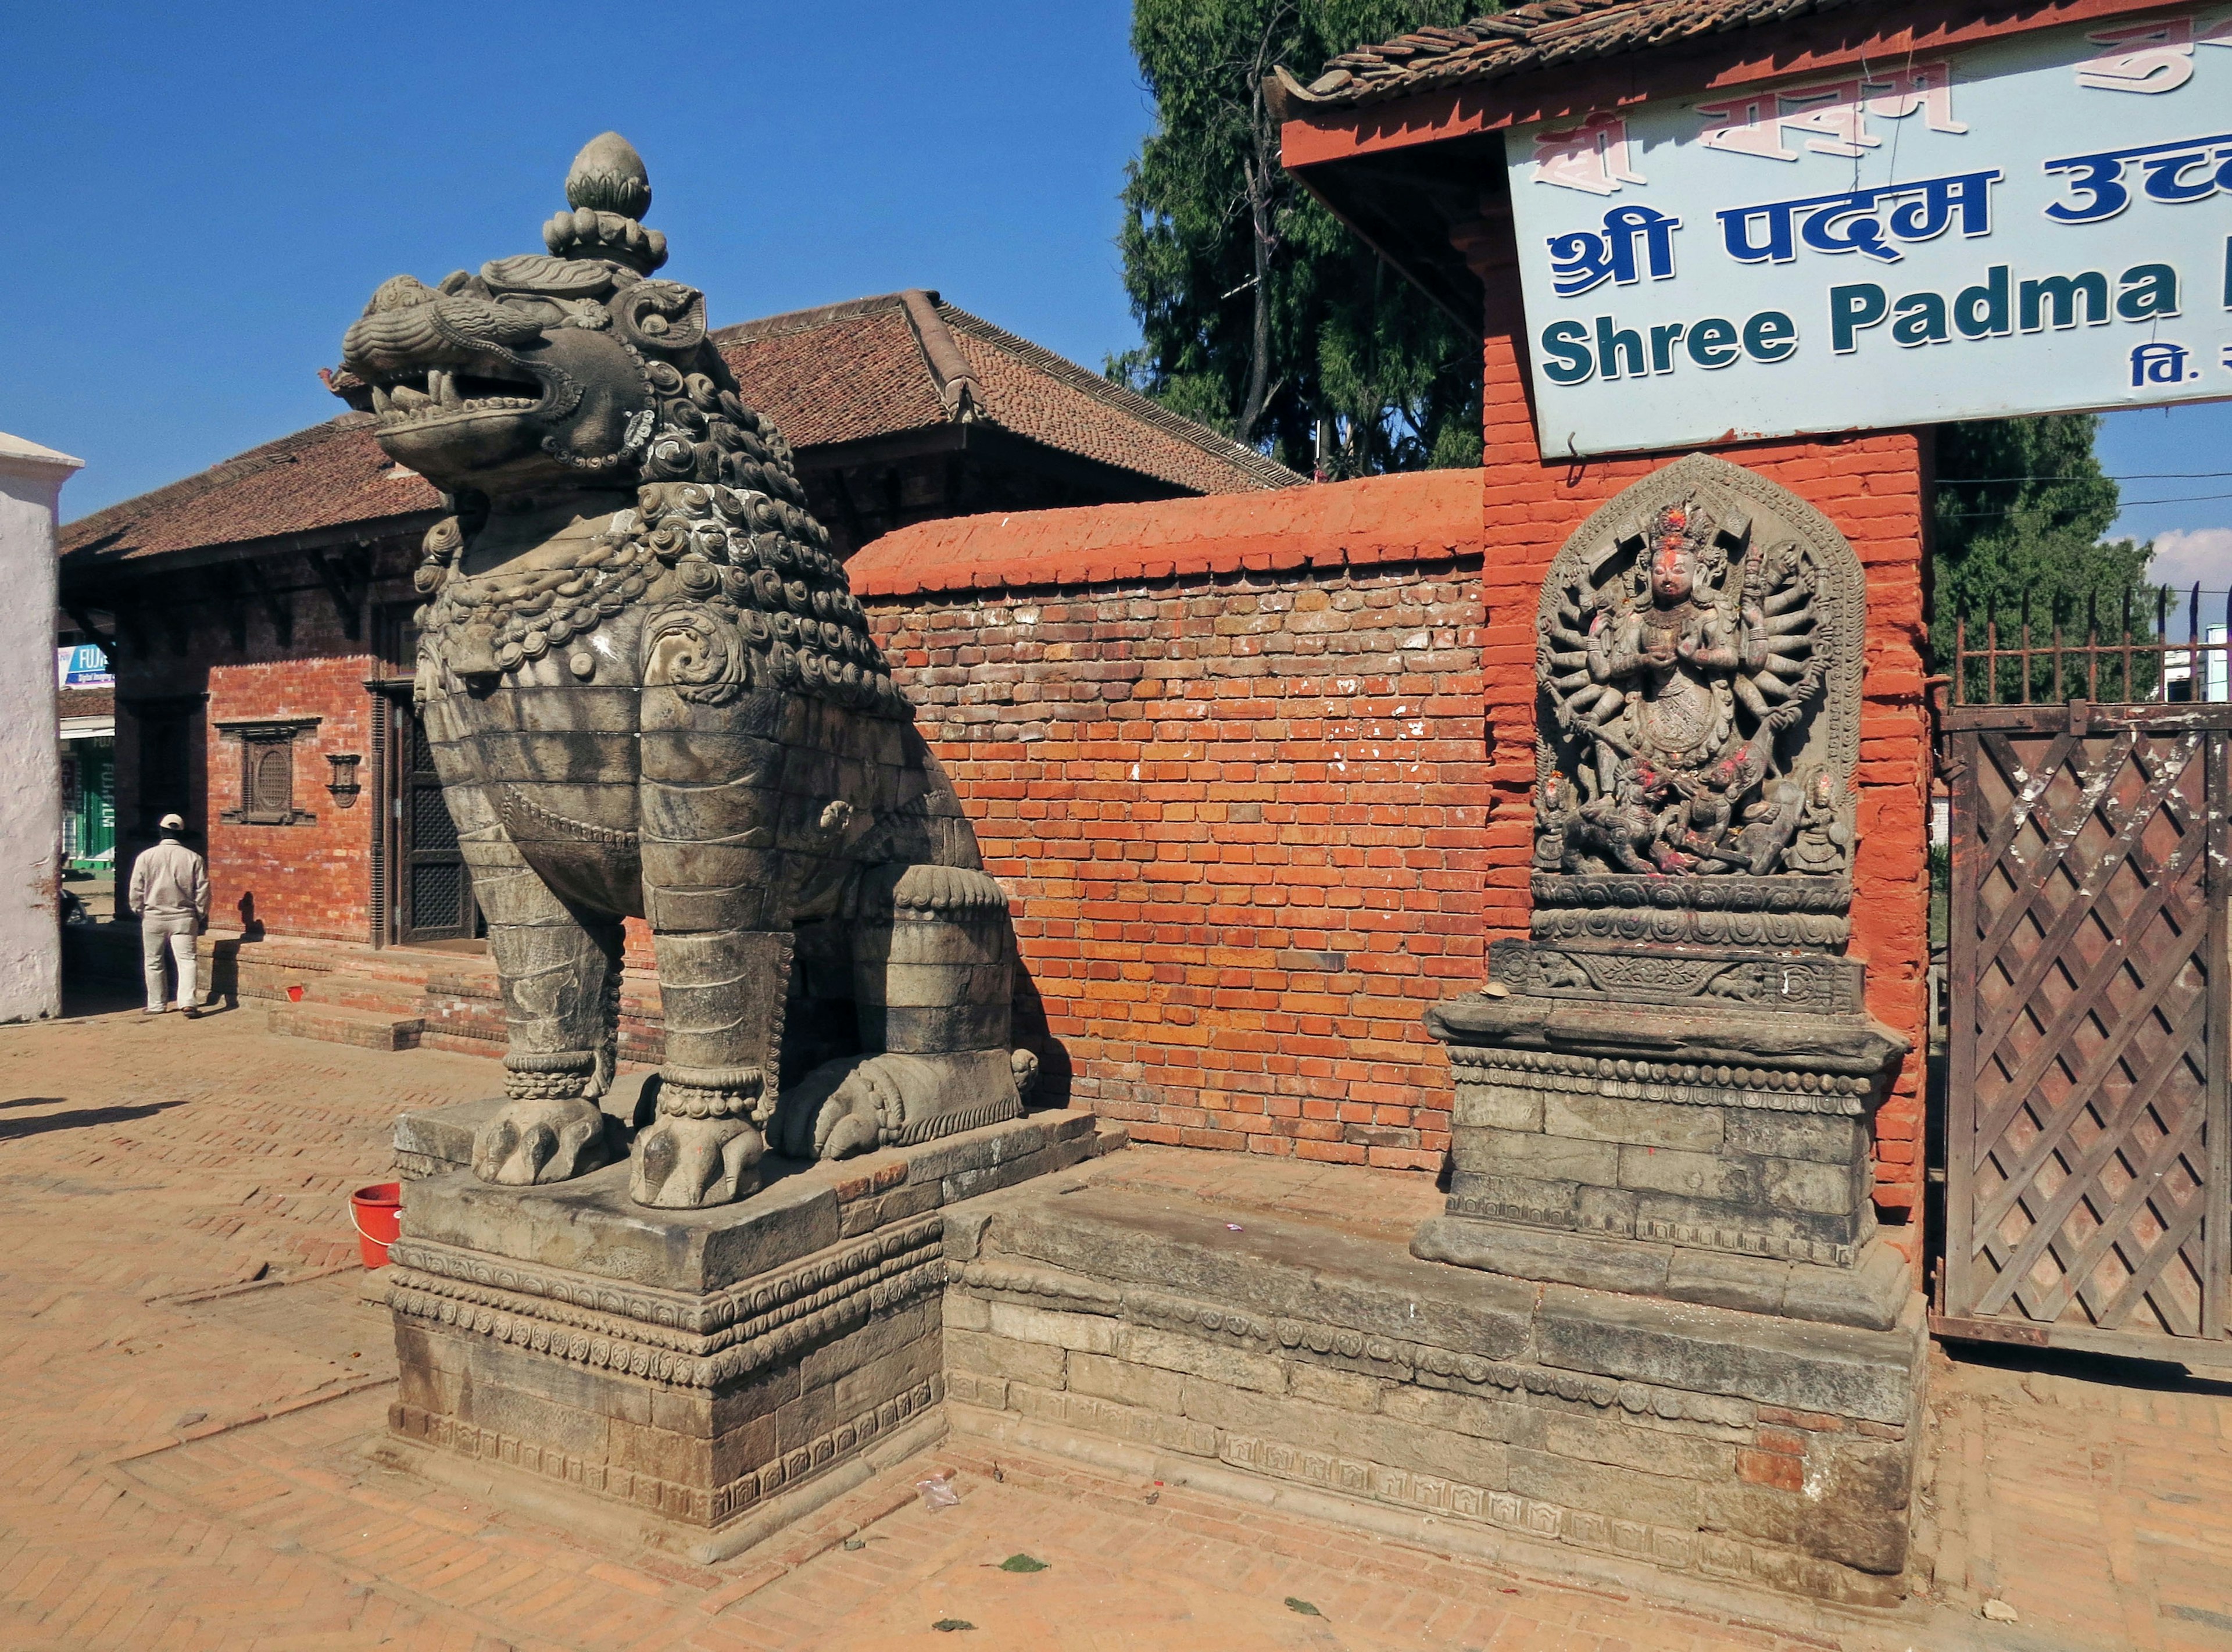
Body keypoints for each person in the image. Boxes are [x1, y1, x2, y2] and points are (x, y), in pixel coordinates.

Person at [127, 813, 209, 1018]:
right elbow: (203, 891)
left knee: (154, 962)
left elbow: (136, 890)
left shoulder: (146, 857)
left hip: (154, 916)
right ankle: (188, 1003)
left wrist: (140, 910)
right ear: (181, 833)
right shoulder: (193, 858)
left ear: (161, 831)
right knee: (187, 960)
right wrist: (199, 914)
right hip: (184, 916)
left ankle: (157, 1004)